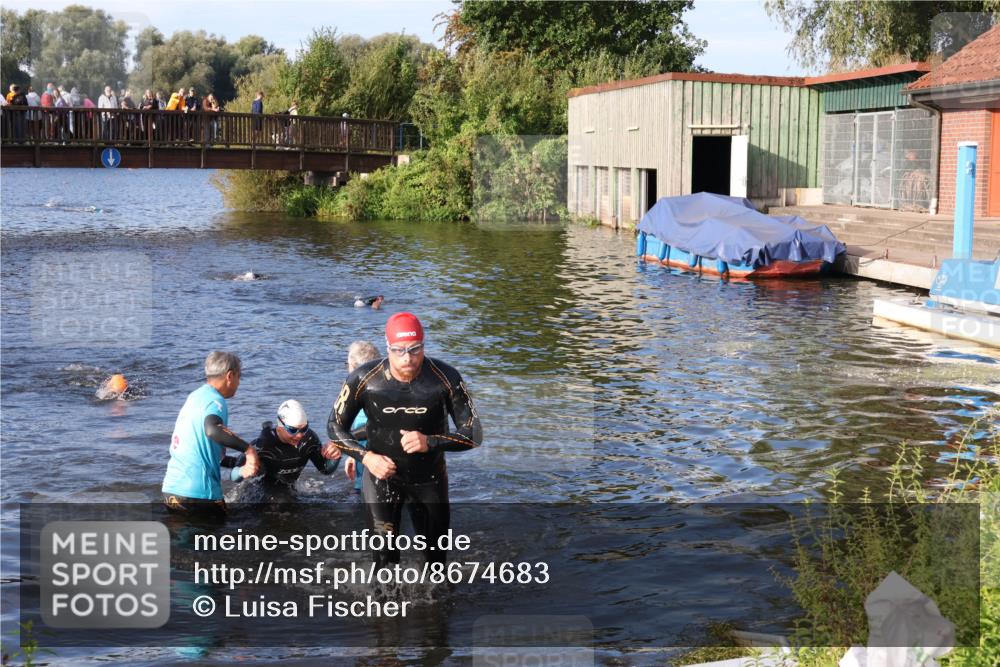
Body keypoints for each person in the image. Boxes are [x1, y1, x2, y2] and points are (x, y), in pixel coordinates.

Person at [325, 313, 483, 567]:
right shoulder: (363, 379)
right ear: (388, 347)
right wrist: (366, 457)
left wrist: (430, 441)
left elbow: (474, 433)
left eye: (414, 349)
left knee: (436, 562)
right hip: (381, 479)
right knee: (384, 561)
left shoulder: (446, 378)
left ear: (424, 345)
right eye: (399, 350)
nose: (407, 358)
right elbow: (334, 427)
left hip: (429, 479)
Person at [162, 351, 260, 517]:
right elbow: (212, 430)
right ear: (230, 376)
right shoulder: (216, 401)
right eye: (239, 377)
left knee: (184, 534)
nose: (239, 383)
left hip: (171, 491)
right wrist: (249, 451)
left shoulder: (195, 397)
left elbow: (199, 448)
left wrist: (234, 463)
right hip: (200, 495)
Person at [224, 400, 341, 492]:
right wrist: (242, 471)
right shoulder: (263, 445)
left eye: (304, 428)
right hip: (261, 489)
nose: (299, 435)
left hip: (289, 488)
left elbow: (325, 470)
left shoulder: (309, 439)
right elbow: (234, 477)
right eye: (293, 430)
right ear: (280, 427)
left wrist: (335, 457)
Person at [341, 341, 380, 493]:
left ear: (356, 368)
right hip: (364, 469)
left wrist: (342, 443)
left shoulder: (373, 393)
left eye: (348, 365)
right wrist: (352, 454)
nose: (347, 370)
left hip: (374, 474)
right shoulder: (360, 391)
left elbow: (373, 428)